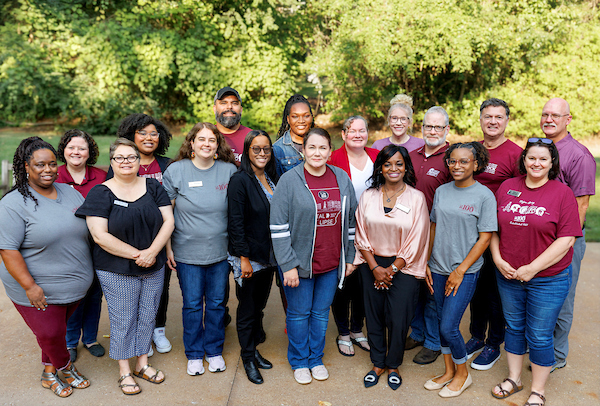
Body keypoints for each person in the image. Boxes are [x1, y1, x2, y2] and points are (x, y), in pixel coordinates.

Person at [76, 138, 174, 395]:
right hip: (115, 268)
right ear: (111, 162)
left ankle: (142, 363)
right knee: (123, 319)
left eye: (131, 157)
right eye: (119, 158)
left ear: (139, 161)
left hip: (153, 264)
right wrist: (138, 255)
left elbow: (168, 221)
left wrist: (152, 252)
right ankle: (125, 372)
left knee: (147, 315)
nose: (126, 162)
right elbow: (100, 236)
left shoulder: (153, 187)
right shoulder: (101, 192)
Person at [491, 138, 582, 406]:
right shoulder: (508, 187)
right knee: (514, 327)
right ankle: (515, 378)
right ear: (524, 160)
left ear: (552, 163)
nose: (536, 163)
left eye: (543, 159)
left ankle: (538, 390)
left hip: (548, 279)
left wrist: (532, 268)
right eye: (532, 158)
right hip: (508, 275)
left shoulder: (562, 193)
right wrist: (497, 259)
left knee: (540, 334)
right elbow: (494, 229)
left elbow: (566, 240)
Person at [0, 137, 93, 398]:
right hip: (37, 287)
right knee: (50, 332)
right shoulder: (12, 204)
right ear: (26, 167)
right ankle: (65, 366)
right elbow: (7, 249)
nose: (48, 170)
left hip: (73, 285)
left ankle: (48, 371)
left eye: (53, 164)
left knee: (57, 330)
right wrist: (30, 287)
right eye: (40, 165)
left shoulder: (68, 191)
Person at [270, 128, 357, 385]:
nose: (317, 152)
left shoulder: (341, 178)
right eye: (312, 147)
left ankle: (315, 359)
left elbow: (350, 222)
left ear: (330, 152)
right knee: (298, 313)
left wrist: (349, 257)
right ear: (303, 151)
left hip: (331, 263)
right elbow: (278, 227)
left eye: (322, 148)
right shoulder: (289, 181)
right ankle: (299, 361)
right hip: (299, 264)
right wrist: (287, 265)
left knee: (320, 314)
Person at [162, 123, 236, 376]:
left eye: (212, 140)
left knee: (216, 304)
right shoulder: (176, 170)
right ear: (191, 143)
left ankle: (214, 351)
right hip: (186, 253)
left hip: (220, 252)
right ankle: (194, 354)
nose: (207, 144)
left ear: (218, 145)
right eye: (201, 139)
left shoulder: (228, 171)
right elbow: (166, 213)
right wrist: (168, 248)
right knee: (192, 304)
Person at [423, 142, 496, 398]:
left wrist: (461, 270)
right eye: (453, 161)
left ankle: (462, 374)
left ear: (476, 164)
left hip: (463, 272)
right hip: (438, 268)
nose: (457, 166)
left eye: (464, 161)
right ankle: (448, 371)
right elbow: (433, 227)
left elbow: (485, 238)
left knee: (449, 327)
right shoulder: (442, 191)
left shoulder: (484, 196)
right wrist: (427, 262)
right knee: (443, 322)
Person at [354, 145, 430, 390]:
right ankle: (377, 363)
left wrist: (392, 270)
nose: (393, 168)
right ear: (380, 168)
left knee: (399, 319)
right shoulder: (368, 195)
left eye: (399, 163)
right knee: (374, 316)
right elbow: (360, 233)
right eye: (387, 164)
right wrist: (376, 267)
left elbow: (418, 237)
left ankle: (394, 364)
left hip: (403, 267)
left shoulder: (416, 198)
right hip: (371, 263)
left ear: (406, 166)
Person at [106, 113, 174, 355]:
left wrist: (165, 246)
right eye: (142, 133)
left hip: (160, 236)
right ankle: (136, 334)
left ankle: (158, 330)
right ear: (131, 136)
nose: (148, 137)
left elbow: (172, 207)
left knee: (160, 287)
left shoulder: (168, 165)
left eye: (154, 133)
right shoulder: (118, 165)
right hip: (128, 238)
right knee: (130, 288)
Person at [540, 98, 596, 372]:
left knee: (562, 296)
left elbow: (581, 205)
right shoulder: (541, 148)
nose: (549, 119)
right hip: (538, 235)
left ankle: (557, 353)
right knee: (537, 292)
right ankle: (539, 343)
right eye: (545, 114)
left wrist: (565, 243)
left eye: (555, 115)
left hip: (565, 238)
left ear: (568, 119)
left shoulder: (578, 155)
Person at [466, 98, 522, 371]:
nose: (493, 122)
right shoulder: (472, 150)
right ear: (480, 119)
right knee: (475, 287)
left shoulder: (515, 154)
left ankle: (493, 343)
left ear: (507, 121)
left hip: (500, 235)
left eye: (499, 117)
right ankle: (476, 336)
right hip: (471, 232)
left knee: (496, 292)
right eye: (488, 116)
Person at [227, 130, 279, 384]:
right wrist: (243, 258)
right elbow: (235, 222)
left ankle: (254, 351)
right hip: (249, 258)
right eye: (256, 149)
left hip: (269, 257)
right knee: (247, 310)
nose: (261, 153)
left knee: (259, 308)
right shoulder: (240, 180)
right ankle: (247, 357)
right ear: (247, 151)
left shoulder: (270, 177)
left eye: (266, 149)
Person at [406, 106, 452, 365]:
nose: (432, 131)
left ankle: (434, 342)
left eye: (438, 127)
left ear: (447, 129)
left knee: (433, 289)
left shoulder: (452, 157)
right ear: (421, 128)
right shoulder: (411, 155)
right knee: (414, 286)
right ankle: (418, 332)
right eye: (428, 126)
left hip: (439, 234)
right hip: (411, 232)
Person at [56, 129, 107, 363]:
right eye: (71, 147)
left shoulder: (101, 176)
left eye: (82, 148)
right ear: (64, 151)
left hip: (98, 246)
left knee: (95, 295)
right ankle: (69, 341)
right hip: (67, 248)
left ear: (89, 153)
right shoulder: (53, 175)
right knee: (74, 296)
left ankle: (91, 338)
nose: (76, 152)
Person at [328, 115, 378, 356]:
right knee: (344, 282)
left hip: (372, 232)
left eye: (362, 130)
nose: (358, 134)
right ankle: (344, 332)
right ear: (344, 134)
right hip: (342, 230)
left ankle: (358, 330)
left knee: (364, 284)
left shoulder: (377, 157)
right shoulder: (334, 159)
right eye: (353, 130)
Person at [273, 94, 315, 177]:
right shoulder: (277, 150)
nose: (301, 121)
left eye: (306, 116)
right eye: (295, 116)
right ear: (288, 119)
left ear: (312, 117)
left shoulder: (321, 144)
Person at [213, 86, 252, 165]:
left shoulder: (252, 137)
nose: (229, 107)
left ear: (241, 109)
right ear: (214, 109)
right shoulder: (206, 137)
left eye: (234, 103)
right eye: (223, 103)